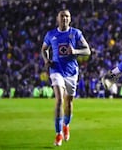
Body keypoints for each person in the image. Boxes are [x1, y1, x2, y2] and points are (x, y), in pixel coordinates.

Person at [41, 10, 91, 146]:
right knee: (59, 100)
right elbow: (44, 48)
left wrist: (75, 51)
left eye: (67, 16)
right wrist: (47, 59)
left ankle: (66, 125)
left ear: (70, 19)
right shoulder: (51, 34)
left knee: (68, 102)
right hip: (56, 70)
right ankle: (58, 134)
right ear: (58, 18)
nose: (64, 18)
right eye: (62, 16)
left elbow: (87, 50)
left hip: (72, 72)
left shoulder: (76, 33)